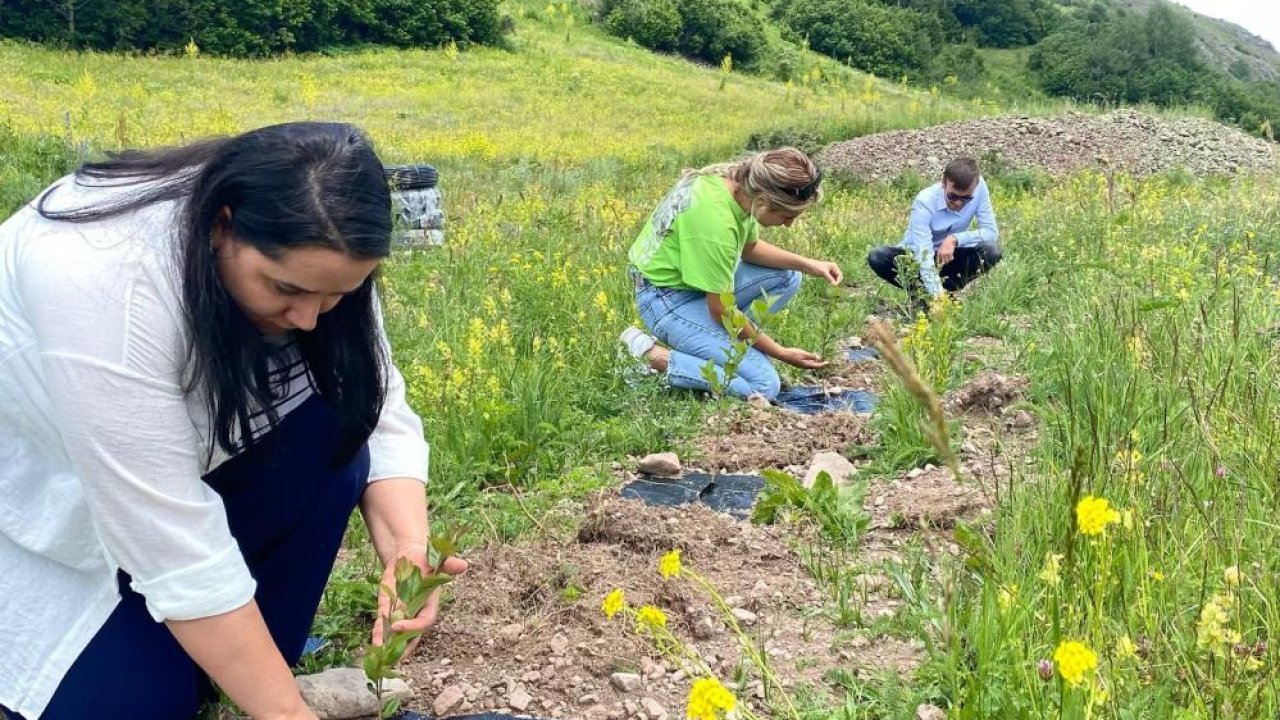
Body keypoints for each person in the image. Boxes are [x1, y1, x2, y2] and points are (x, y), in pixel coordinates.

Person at [0, 122, 466, 720]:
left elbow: (376, 408)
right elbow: (172, 546)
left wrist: (407, 544)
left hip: (176, 483)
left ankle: (247, 651)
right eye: (286, 291)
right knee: (137, 705)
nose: (308, 318)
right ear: (222, 226)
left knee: (333, 426)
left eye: (334, 297)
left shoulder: (320, 248)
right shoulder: (104, 282)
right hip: (56, 507)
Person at [619, 147, 843, 401]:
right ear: (765, 201)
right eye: (787, 215)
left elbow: (750, 249)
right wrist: (781, 352)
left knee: (789, 275)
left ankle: (719, 345)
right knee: (764, 385)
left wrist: (809, 264)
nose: (789, 224)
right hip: (665, 301)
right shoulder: (717, 225)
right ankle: (650, 355)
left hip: (689, 289)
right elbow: (721, 310)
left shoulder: (736, 190)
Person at [866, 156, 1001, 306]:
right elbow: (923, 253)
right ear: (943, 183)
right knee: (878, 256)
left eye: (966, 199)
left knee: (991, 250)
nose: (958, 203)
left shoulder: (979, 186)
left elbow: (991, 232)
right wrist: (938, 297)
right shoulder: (925, 201)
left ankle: (943, 293)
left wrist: (954, 239)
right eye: (953, 196)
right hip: (916, 258)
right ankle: (926, 295)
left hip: (947, 257)